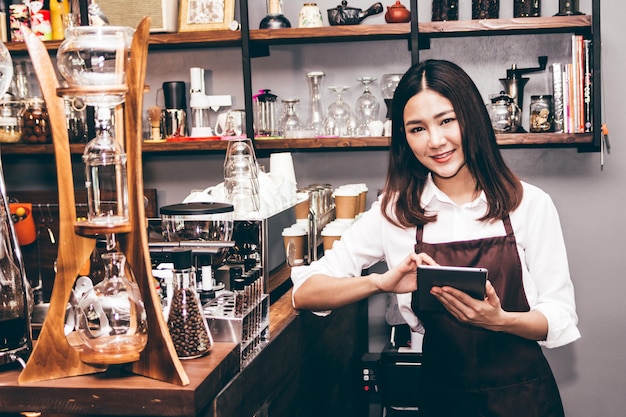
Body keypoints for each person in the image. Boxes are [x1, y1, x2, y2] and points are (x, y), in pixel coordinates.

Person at [290, 59, 580, 417]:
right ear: (404, 137)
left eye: (446, 120)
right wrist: (381, 283)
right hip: (442, 400)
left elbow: (559, 315)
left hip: (523, 400)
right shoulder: (394, 212)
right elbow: (305, 292)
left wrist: (501, 320)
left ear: (471, 118)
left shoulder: (529, 204)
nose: (435, 141)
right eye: (417, 128)